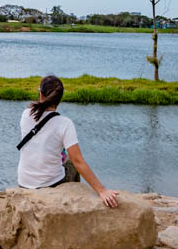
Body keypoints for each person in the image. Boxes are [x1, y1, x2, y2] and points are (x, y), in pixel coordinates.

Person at [17, 75, 119, 208]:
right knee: (71, 163)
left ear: (40, 94)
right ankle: (73, 200)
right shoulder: (64, 123)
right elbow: (78, 162)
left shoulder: (26, 114)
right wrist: (102, 190)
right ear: (59, 98)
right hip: (51, 184)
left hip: (24, 182)